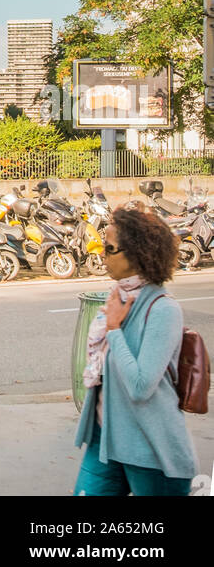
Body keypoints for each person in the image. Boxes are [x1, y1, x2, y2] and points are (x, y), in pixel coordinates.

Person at [75, 206, 197, 496]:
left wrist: (115, 330)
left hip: (150, 449)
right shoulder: (117, 297)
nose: (101, 255)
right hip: (106, 438)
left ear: (136, 252)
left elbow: (141, 387)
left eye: (109, 248)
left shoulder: (163, 309)